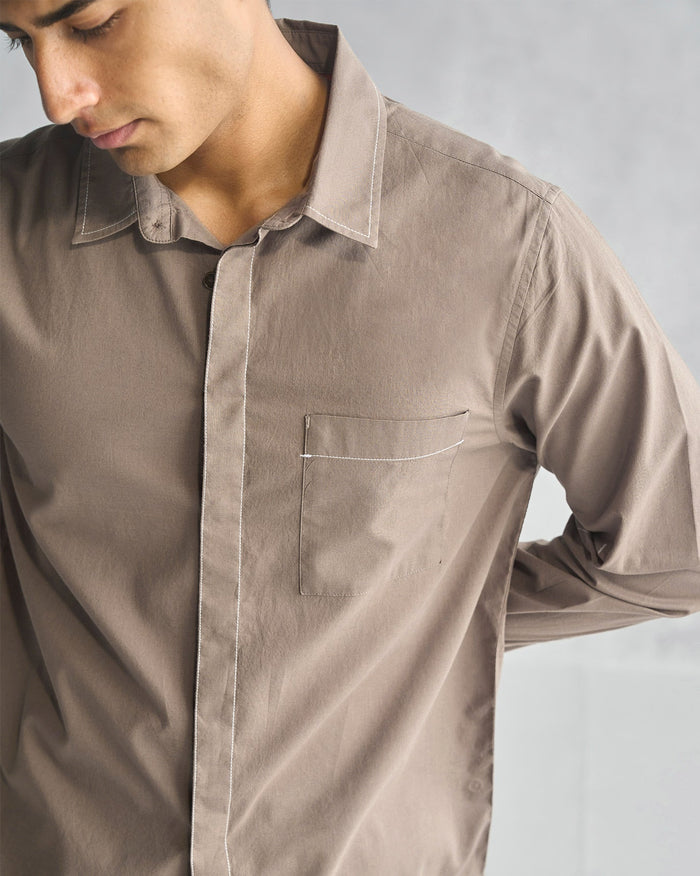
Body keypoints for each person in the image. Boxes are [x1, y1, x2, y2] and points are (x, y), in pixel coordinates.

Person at [1, 1, 698, 873]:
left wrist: (419, 618)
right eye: (20, 41)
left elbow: (677, 548)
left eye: (91, 22)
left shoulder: (509, 244)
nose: (56, 93)